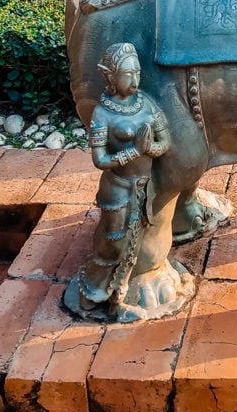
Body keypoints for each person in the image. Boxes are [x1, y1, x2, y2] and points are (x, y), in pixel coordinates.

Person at [72, 43, 171, 321]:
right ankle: (91, 290)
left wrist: (150, 149)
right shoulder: (103, 114)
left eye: (137, 72)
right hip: (117, 188)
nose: (135, 80)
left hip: (144, 186)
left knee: (135, 242)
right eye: (127, 74)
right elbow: (100, 160)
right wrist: (134, 152)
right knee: (114, 242)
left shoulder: (146, 104)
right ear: (110, 77)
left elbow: (165, 142)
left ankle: (119, 296)